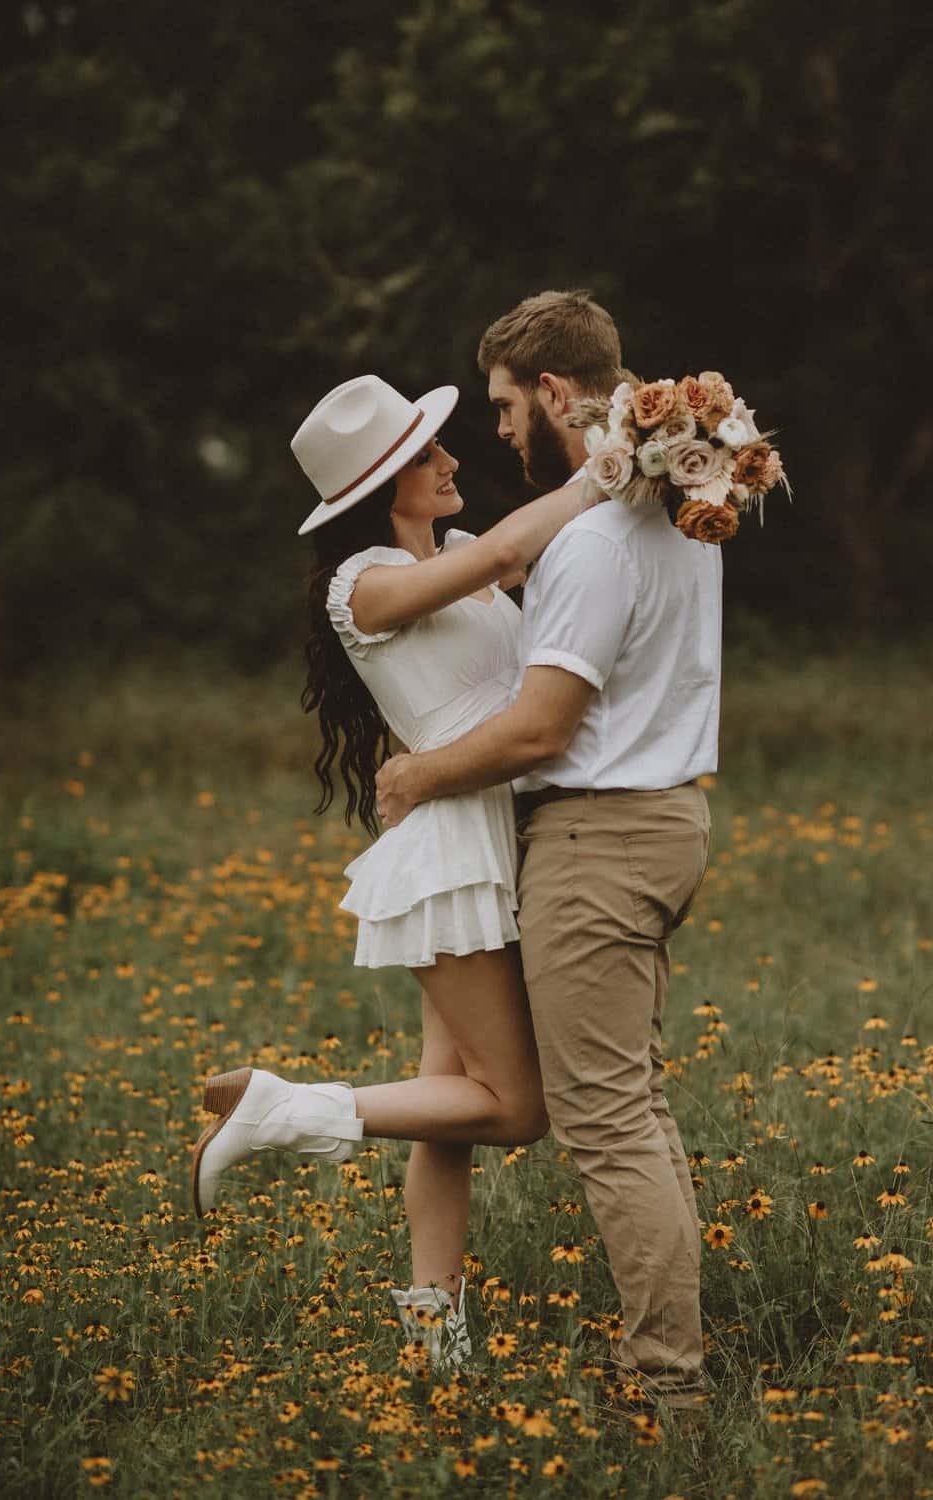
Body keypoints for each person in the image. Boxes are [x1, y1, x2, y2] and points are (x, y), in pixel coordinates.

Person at [191, 372, 594, 1366]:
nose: (452, 460)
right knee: (517, 1108)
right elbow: (514, 548)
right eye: (427, 453)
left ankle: (432, 1341)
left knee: (446, 1112)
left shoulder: (454, 552)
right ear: (382, 487)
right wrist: (618, 466)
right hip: (454, 855)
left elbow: (520, 576)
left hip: (496, 833)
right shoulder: (361, 585)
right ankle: (283, 1109)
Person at [375, 290, 721, 1411]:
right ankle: (670, 1359)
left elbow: (540, 727)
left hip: (599, 840)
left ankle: (662, 1387)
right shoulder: (682, 502)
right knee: (633, 1105)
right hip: (661, 819)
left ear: (558, 394)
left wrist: (418, 774)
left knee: (608, 1120)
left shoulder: (595, 542)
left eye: (506, 404)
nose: (499, 429)